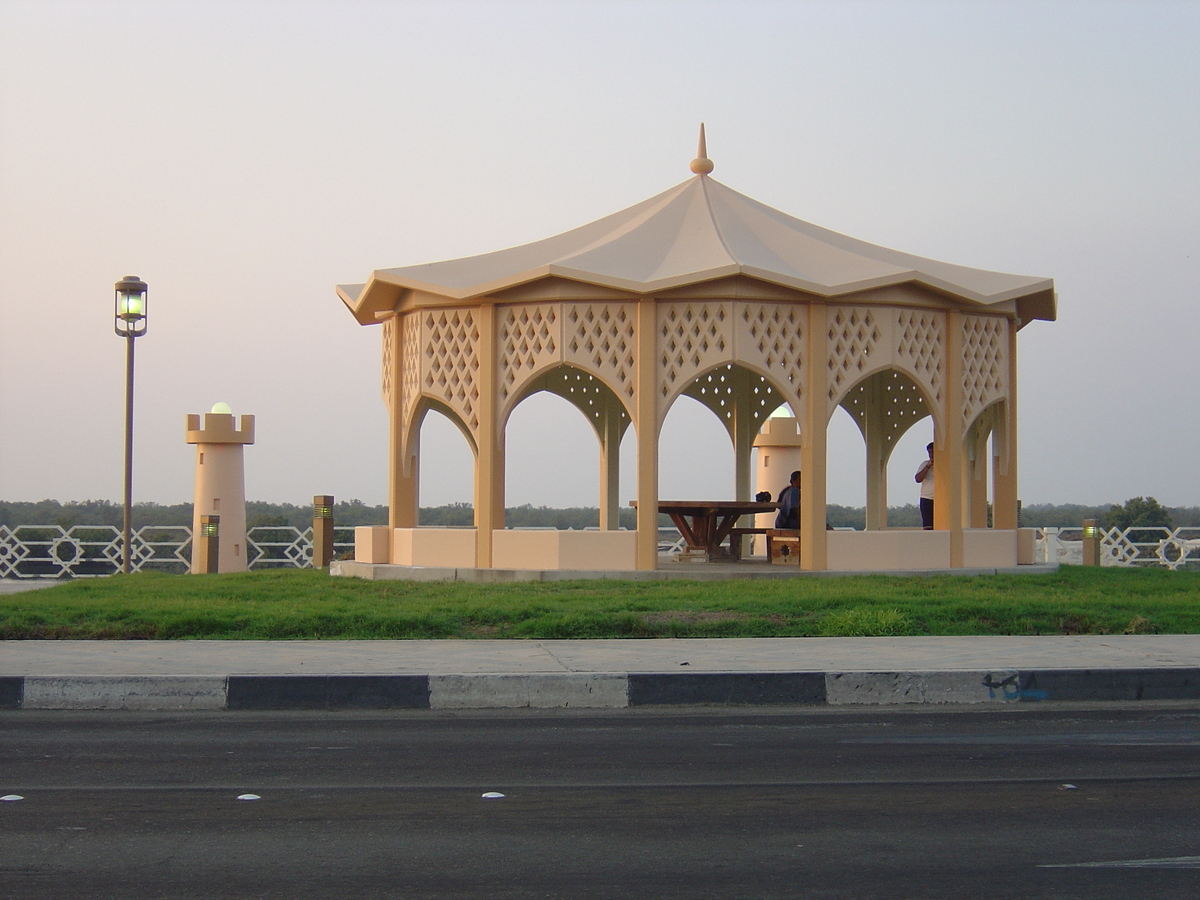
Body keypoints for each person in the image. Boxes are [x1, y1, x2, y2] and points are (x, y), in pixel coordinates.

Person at [915, 443, 934, 529]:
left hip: (941, 501)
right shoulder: (924, 464)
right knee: (928, 526)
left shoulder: (944, 465)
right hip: (927, 499)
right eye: (929, 452)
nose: (931, 455)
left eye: (933, 452)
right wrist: (928, 466)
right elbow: (918, 479)